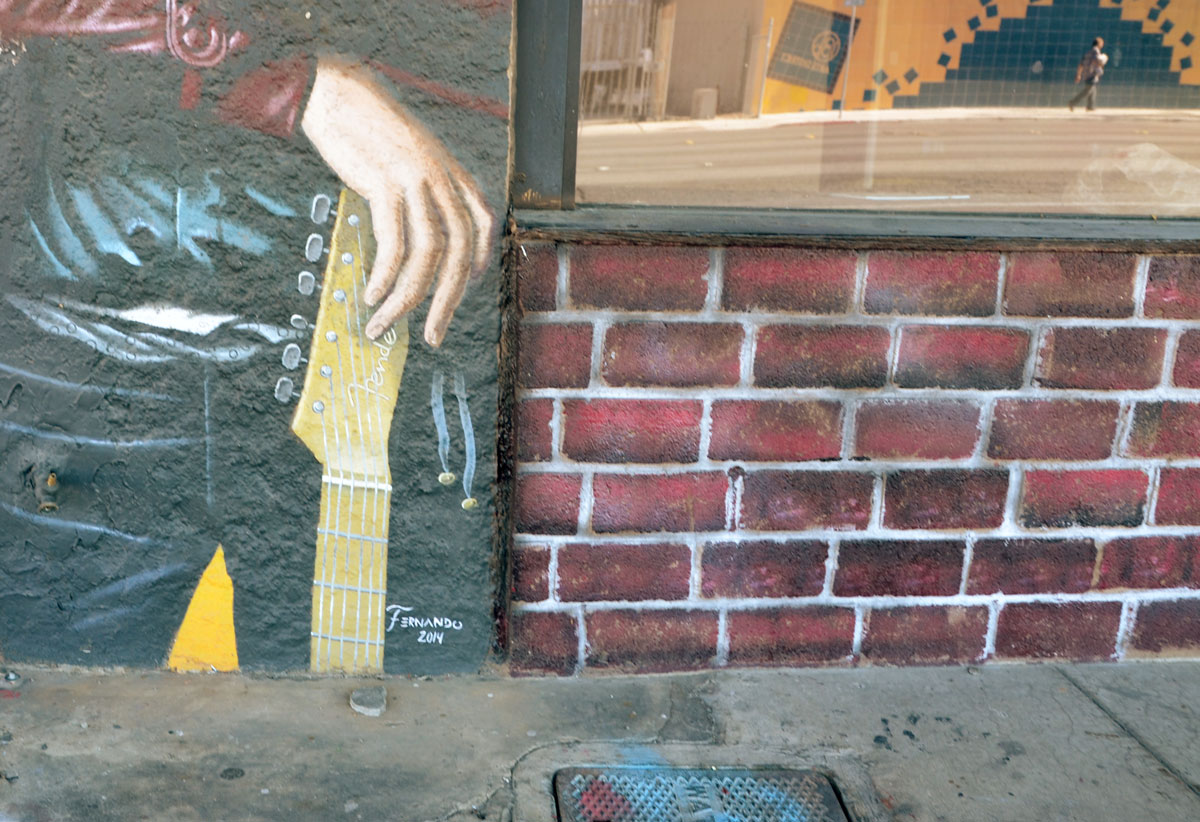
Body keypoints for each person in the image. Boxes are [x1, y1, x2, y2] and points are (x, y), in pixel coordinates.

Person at [0, 1, 502, 670]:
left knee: (357, 697)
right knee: (55, 697)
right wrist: (294, 85)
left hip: (352, 338)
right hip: (78, 334)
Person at [1069, 37, 1109, 112]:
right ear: (1099, 44)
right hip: (1091, 74)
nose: (1103, 45)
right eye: (1102, 43)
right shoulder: (1096, 51)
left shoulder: (1088, 52)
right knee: (1087, 91)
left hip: (1086, 74)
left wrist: (1079, 74)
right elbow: (1097, 61)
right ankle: (1072, 103)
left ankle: (1090, 106)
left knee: (1092, 90)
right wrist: (1103, 60)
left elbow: (1081, 64)